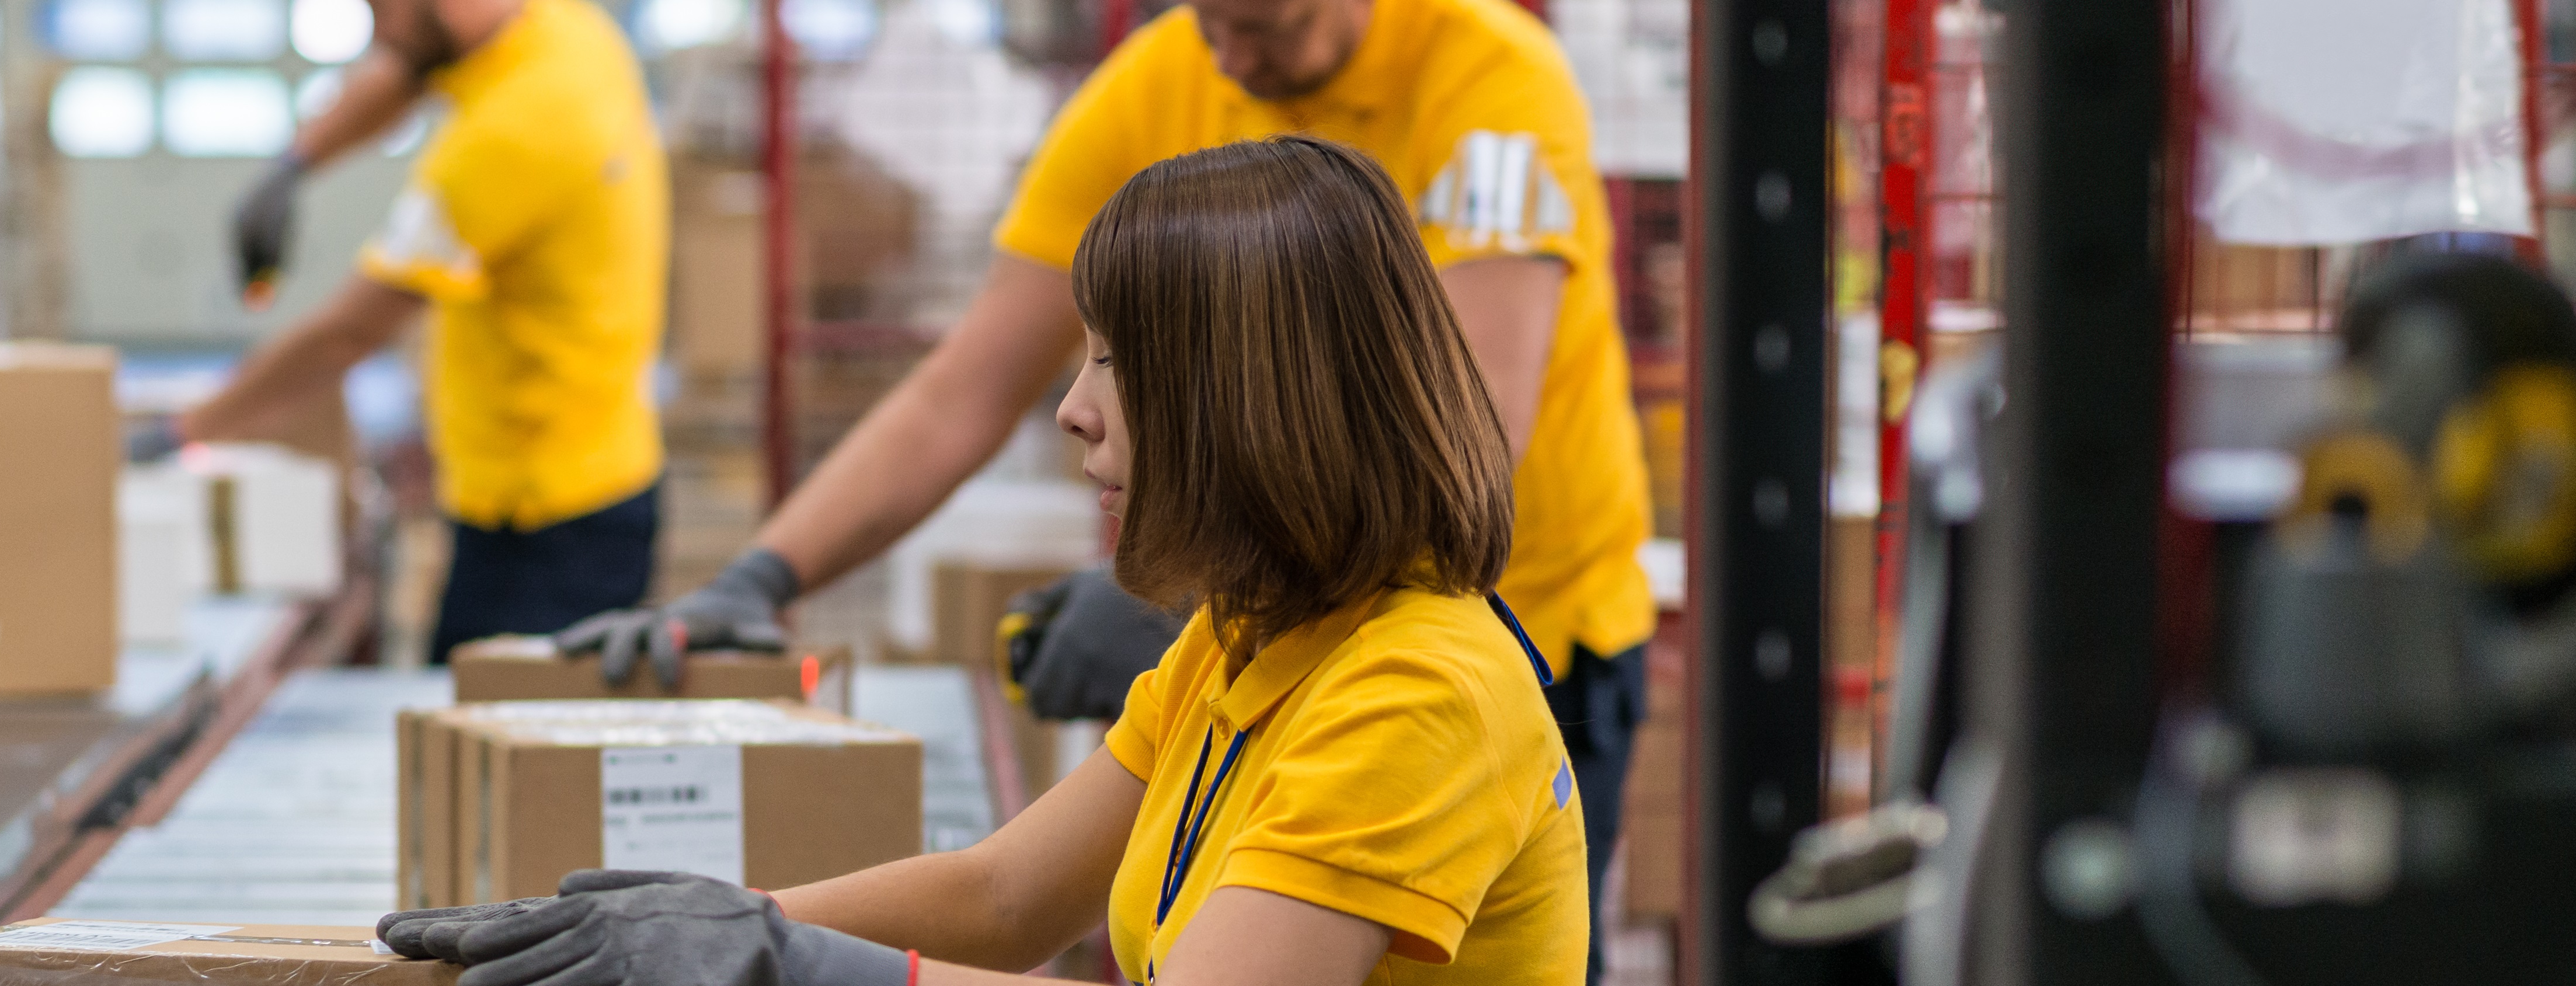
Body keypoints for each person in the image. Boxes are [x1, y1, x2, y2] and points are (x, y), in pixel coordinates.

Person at [557, 0, 1652, 965]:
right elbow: (1005, 893)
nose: (1071, 407)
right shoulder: (1239, 636)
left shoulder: (1416, 695)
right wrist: (736, 920)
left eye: (1120, 363)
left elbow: (1470, 404)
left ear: (1256, 406)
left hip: (1526, 618)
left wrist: (793, 966)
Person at [179, 0, 669, 663]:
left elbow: (347, 336)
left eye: (383, 9)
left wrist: (188, 431)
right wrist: (294, 164)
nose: (376, 33)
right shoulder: (554, 29)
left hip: (550, 523)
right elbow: (405, 71)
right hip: (556, 482)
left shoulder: (514, 133)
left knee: (492, 740)